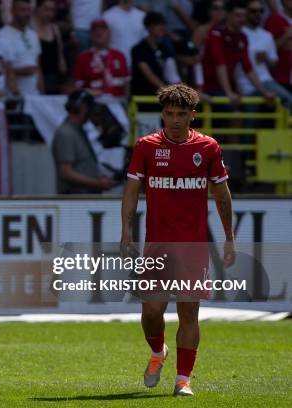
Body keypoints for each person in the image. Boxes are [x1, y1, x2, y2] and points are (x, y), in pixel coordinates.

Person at [121, 84, 236, 397]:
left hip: (193, 246)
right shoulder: (146, 146)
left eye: (181, 114)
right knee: (152, 312)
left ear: (192, 115)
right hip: (157, 245)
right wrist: (126, 232)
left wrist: (229, 237)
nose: (174, 120)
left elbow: (222, 195)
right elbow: (131, 192)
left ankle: (183, 378)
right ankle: (158, 352)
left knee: (189, 313)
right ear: (162, 113)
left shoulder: (208, 148)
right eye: (169, 113)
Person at [52, 90, 116, 194]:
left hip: (84, 198)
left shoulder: (78, 130)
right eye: (89, 107)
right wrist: (97, 183)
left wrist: (99, 179)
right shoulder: (66, 133)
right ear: (82, 108)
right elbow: (66, 172)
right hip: (74, 200)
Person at [0, 0, 43, 96]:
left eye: (29, 10)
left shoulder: (33, 35)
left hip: (35, 97)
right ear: (12, 11)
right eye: (22, 10)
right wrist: (20, 72)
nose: (27, 14)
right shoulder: (2, 36)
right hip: (13, 99)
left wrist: (42, 94)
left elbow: (38, 68)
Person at [73, 19, 129, 103]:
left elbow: (126, 83)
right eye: (95, 30)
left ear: (109, 33)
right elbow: (78, 87)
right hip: (94, 104)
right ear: (91, 34)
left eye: (102, 30)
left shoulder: (119, 56)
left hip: (118, 102)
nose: (99, 33)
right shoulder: (82, 58)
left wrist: (126, 103)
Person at [131, 12, 181, 96]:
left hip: (161, 97)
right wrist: (169, 91)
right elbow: (149, 75)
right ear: (148, 27)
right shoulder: (138, 49)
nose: (162, 28)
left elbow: (172, 74)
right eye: (157, 24)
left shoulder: (164, 49)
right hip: (143, 98)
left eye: (163, 24)